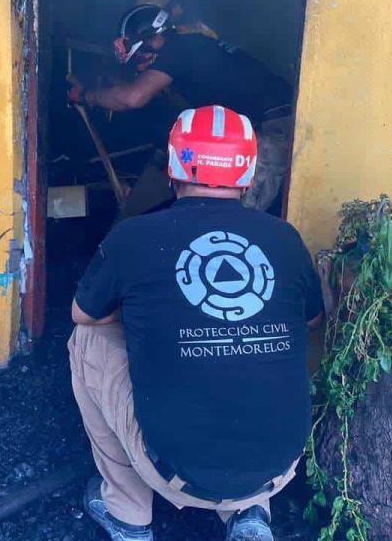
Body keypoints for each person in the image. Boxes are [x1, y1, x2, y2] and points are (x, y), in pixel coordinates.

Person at [68, 105, 324, 541]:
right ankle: (249, 513)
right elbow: (312, 319)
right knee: (262, 351)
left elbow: (83, 313)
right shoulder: (284, 237)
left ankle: (127, 513)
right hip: (278, 469)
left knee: (86, 340)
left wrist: (150, 313)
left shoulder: (135, 235)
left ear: (174, 167)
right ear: (247, 174)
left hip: (173, 472)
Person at [68, 5, 295, 211]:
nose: (141, 61)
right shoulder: (189, 50)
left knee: (239, 214)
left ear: (152, 37)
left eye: (141, 53)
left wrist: (87, 96)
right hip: (258, 126)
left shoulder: (178, 50)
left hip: (274, 127)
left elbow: (133, 98)